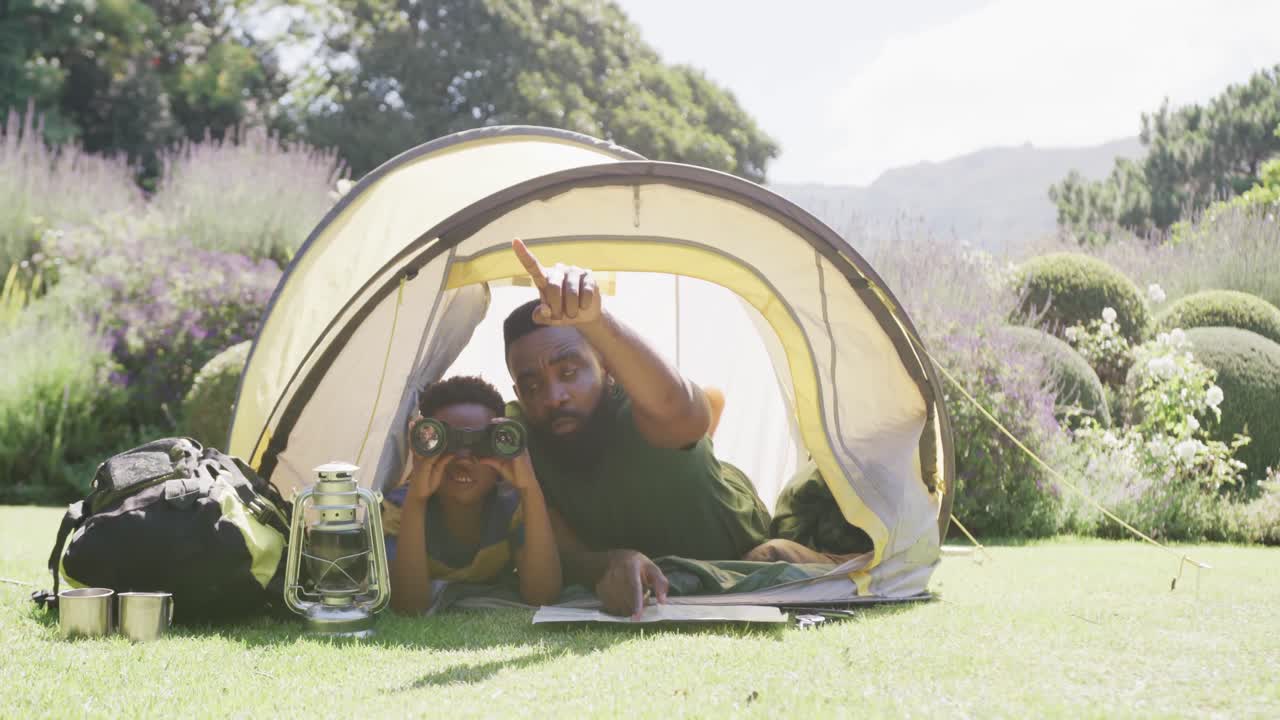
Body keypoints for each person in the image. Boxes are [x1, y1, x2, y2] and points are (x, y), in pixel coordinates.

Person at [503, 239, 825, 618]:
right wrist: (612, 562)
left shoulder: (636, 408)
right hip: (653, 500)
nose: (554, 396)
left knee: (772, 552)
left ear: (605, 366)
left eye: (570, 372)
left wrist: (594, 320)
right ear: (518, 393)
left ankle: (703, 431)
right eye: (533, 386)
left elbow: (681, 412)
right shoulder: (522, 437)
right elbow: (564, 555)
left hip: (731, 536)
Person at [385, 375, 561, 614]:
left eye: (482, 443)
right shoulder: (398, 509)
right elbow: (409, 607)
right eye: (447, 443)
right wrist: (417, 497)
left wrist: (529, 487)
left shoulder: (510, 507)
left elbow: (544, 595)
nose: (464, 460)